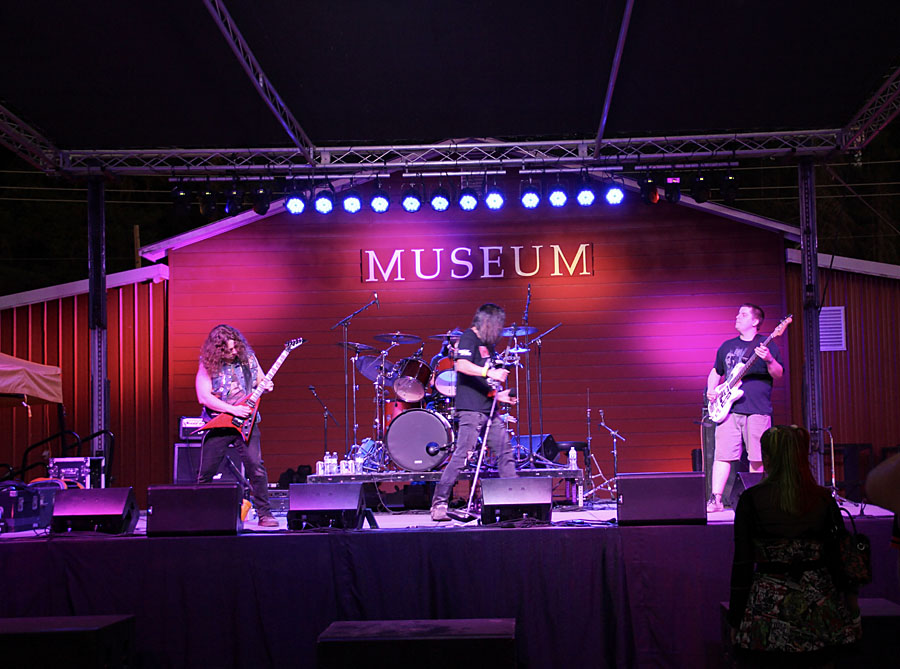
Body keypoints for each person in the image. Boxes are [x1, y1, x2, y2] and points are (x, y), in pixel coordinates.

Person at [728, 425, 861, 666]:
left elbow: (743, 565)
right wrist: (851, 607)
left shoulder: (751, 500)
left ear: (767, 457)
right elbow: (837, 557)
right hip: (819, 607)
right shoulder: (823, 499)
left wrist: (735, 619)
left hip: (768, 611)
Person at [430, 304, 517, 521]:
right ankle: (439, 503)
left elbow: (483, 382)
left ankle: (514, 500)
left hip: (489, 408)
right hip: (470, 409)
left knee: (505, 451)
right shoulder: (469, 338)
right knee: (462, 455)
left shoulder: (488, 345)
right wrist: (489, 372)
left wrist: (499, 396)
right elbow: (462, 366)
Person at [195, 324, 278, 528]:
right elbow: (203, 397)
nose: (233, 352)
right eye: (229, 350)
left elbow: (261, 381)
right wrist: (232, 410)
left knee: (256, 468)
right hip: (220, 422)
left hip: (246, 422)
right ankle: (201, 514)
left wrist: (267, 386)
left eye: (235, 348)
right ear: (218, 350)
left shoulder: (248, 358)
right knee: (206, 472)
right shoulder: (208, 364)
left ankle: (265, 514)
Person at [706, 304, 783, 512]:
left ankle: (755, 500)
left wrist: (769, 359)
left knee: (757, 457)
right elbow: (716, 371)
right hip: (729, 409)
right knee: (722, 455)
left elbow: (778, 373)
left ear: (755, 321)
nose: (738, 316)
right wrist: (711, 389)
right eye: (738, 313)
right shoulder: (727, 346)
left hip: (757, 408)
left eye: (743, 314)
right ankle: (716, 500)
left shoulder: (766, 345)